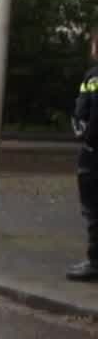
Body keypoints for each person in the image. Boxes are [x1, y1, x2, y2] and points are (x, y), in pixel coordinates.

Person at [71, 34, 98, 281]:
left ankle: (94, 262)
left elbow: (81, 112)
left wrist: (83, 133)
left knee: (92, 209)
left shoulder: (92, 77)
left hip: (93, 154)